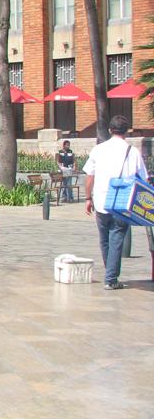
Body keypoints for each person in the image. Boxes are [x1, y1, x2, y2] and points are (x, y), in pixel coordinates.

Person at [84, 115, 148, 290]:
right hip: (122, 202)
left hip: (101, 200)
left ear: (110, 130)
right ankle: (111, 278)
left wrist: (88, 198)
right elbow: (143, 179)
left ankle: (110, 272)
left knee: (104, 239)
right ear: (126, 132)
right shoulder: (132, 151)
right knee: (117, 237)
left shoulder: (99, 149)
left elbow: (90, 176)